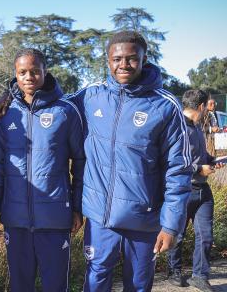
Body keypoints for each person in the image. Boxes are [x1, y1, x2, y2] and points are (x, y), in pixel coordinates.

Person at [69, 30, 193, 291]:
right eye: (116, 59)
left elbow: (178, 170)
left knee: (137, 285)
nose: (123, 65)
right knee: (95, 282)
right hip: (100, 220)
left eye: (131, 58)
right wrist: (9, 99)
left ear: (144, 58)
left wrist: (171, 225)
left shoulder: (165, 105)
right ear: (108, 60)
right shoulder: (91, 96)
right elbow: (52, 106)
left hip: (144, 221)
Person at [0, 48, 85, 291]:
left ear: (44, 72)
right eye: (22, 72)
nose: (29, 77)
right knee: (20, 285)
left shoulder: (66, 111)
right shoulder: (6, 114)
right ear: (15, 75)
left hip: (54, 219)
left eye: (34, 71)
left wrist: (77, 208)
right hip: (16, 219)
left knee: (55, 285)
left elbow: (81, 164)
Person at [167, 89, 225, 291]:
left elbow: (200, 155)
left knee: (206, 236)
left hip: (203, 190)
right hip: (182, 190)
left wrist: (212, 161)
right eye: (207, 107)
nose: (208, 111)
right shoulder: (176, 127)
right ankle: (174, 272)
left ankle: (200, 276)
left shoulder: (198, 127)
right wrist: (199, 168)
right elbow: (170, 162)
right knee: (177, 234)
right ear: (201, 107)